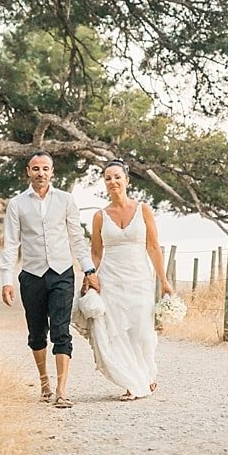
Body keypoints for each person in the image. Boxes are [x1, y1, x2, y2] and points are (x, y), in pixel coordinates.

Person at [0, 151, 100, 409]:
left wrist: (88, 270)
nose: (41, 173)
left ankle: (61, 390)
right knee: (36, 334)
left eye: (45, 168)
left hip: (62, 273)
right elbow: (11, 244)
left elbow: (77, 238)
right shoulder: (17, 204)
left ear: (53, 172)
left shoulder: (66, 200)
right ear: (28, 171)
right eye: (36, 169)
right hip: (31, 275)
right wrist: (6, 279)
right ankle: (44, 381)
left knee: (61, 331)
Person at [77, 159, 173, 400]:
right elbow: (96, 253)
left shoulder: (144, 210)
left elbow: (153, 247)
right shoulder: (100, 216)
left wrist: (164, 280)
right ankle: (132, 384)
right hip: (111, 279)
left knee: (142, 331)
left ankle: (147, 374)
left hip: (140, 278)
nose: (113, 182)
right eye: (108, 178)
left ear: (127, 180)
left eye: (117, 177)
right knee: (116, 331)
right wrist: (90, 275)